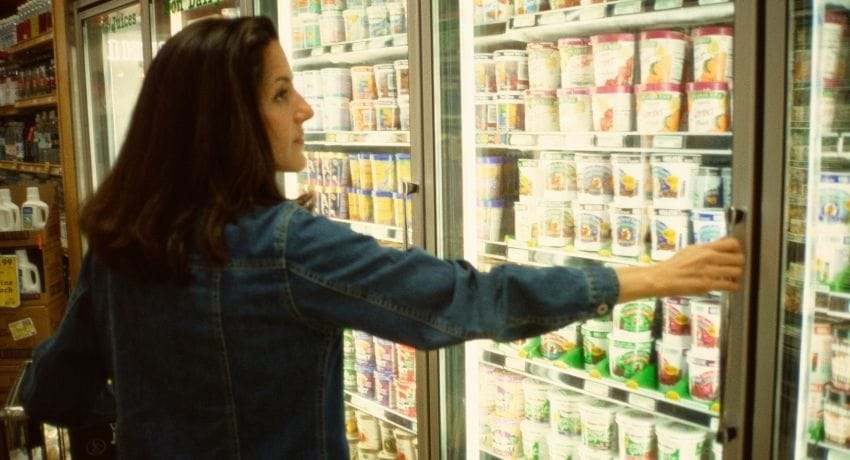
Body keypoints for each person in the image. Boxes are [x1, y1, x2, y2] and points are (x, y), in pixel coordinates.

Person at [20, 16, 745, 458]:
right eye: (279, 93)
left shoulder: (120, 241)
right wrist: (644, 278)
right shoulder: (286, 248)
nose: (304, 108)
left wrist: (157, 423)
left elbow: (53, 389)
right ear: (227, 123)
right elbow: (465, 301)